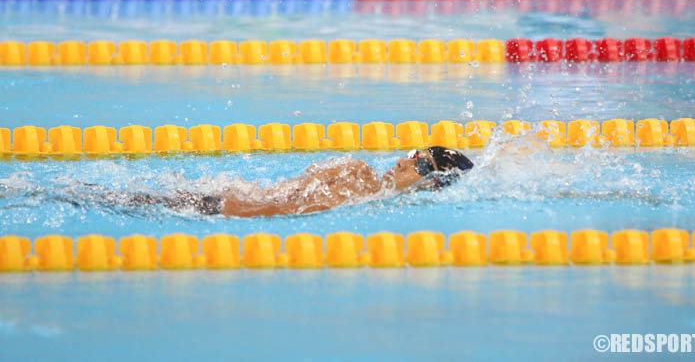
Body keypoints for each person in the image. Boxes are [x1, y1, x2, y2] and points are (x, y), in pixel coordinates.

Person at [134, 146, 474, 218]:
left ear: (432, 184)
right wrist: (229, 210)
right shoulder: (356, 173)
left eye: (421, 166)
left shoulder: (366, 189)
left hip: (222, 206)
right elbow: (281, 198)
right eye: (414, 153)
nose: (402, 160)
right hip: (220, 209)